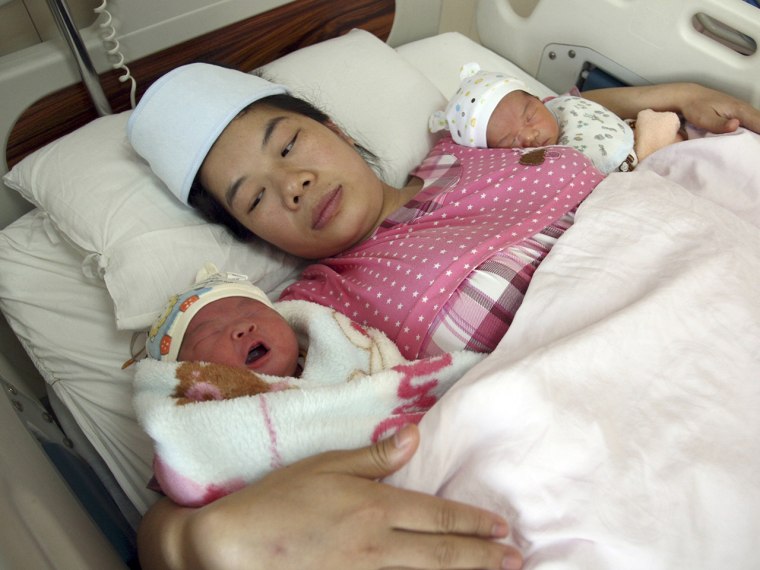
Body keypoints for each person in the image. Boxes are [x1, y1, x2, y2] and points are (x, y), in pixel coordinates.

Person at [127, 63, 760, 570]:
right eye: (257, 198)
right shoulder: (320, 308)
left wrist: (685, 91)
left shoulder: (469, 142)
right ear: (249, 234)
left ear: (337, 129)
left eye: (289, 143)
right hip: (611, 398)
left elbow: (557, 110)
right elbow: (193, 463)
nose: (292, 183)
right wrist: (196, 544)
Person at [135, 264, 484, 508]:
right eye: (209, 331)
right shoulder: (207, 417)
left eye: (250, 310)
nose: (242, 327)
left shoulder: (344, 351)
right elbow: (190, 463)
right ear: (191, 372)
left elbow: (395, 386)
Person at [429, 62, 685, 174]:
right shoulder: (533, 170)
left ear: (540, 101)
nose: (529, 137)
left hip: (645, 148)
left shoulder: (565, 108)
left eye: (529, 117)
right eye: (510, 140)